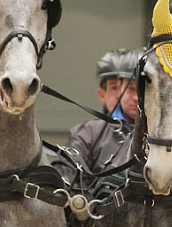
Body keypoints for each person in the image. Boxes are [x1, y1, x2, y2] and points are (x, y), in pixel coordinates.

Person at [54, 47, 144, 184]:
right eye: (130, 88)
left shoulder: (166, 134)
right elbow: (64, 170)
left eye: (142, 89)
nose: (136, 97)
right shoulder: (90, 132)